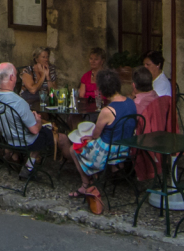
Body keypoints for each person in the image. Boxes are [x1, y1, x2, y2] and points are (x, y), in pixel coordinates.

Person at [57, 69, 137, 199]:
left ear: (102, 89)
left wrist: (89, 137)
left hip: (109, 150)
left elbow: (96, 134)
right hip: (126, 147)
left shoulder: (107, 110)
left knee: (74, 149)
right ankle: (97, 176)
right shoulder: (130, 102)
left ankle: (85, 185)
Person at [0, 62, 54, 178]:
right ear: (11, 77)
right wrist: (38, 121)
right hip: (24, 141)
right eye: (16, 75)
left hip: (7, 137)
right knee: (46, 132)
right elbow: (34, 130)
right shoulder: (19, 102)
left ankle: (14, 157)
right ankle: (28, 167)